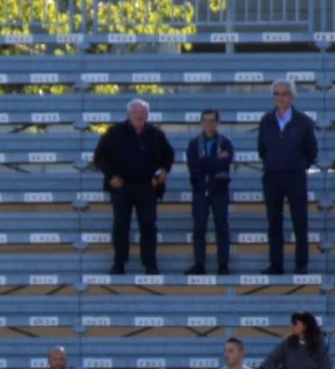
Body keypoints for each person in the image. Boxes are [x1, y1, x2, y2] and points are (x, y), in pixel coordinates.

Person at [91, 98, 174, 275]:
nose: (139, 115)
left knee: (149, 226)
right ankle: (119, 264)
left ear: (147, 114)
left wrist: (164, 171)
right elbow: (99, 156)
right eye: (136, 112)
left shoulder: (155, 134)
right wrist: (111, 176)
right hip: (122, 186)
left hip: (147, 187)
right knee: (120, 225)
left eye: (143, 112)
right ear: (128, 114)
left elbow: (169, 154)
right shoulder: (114, 132)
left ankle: (150, 264)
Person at [257, 79, 318, 275]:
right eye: (277, 94)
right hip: (272, 176)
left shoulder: (303, 121)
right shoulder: (266, 120)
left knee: (300, 222)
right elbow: (262, 149)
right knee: (274, 222)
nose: (280, 97)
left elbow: (312, 151)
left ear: (292, 96)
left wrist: (298, 166)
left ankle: (301, 264)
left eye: (284, 93)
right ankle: (276, 264)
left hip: (295, 177)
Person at [184, 109, 235, 275]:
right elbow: (194, 167)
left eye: (212, 120)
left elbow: (224, 164)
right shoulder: (193, 143)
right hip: (200, 190)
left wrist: (205, 163)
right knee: (199, 228)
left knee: (222, 228)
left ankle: (223, 265)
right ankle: (199, 264)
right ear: (201, 122)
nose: (208, 124)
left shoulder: (225, 142)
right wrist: (214, 161)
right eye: (205, 120)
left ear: (218, 123)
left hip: (220, 189)